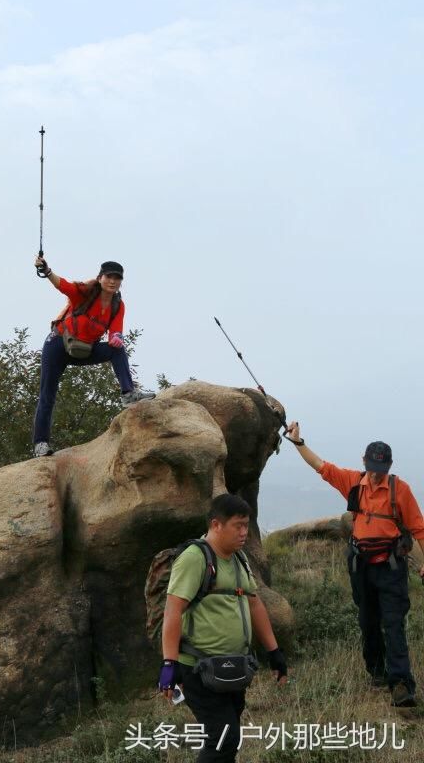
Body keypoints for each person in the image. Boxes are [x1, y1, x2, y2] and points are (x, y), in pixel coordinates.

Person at [287, 420, 424, 707]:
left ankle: (401, 684)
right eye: (372, 468)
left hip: (391, 567)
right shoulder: (353, 482)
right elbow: (320, 466)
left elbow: (419, 528)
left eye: (381, 470)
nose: (376, 476)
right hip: (360, 566)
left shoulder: (401, 490)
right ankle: (376, 673)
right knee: (368, 621)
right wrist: (299, 442)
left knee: (394, 623)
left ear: (388, 465)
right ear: (365, 461)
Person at [158, 493, 287, 763]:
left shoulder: (239, 559)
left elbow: (255, 605)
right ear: (216, 525)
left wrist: (274, 652)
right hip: (198, 667)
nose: (244, 532)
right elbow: (172, 611)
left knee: (228, 738)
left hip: (233, 667)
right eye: (237, 526)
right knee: (224, 737)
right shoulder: (195, 558)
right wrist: (169, 664)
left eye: (246, 525)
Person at [32, 256, 155, 457]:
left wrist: (116, 338)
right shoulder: (85, 293)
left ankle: (128, 393)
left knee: (118, 349)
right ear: (100, 278)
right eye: (109, 277)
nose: (112, 281)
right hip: (58, 345)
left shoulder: (118, 305)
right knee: (47, 395)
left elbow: (116, 330)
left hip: (83, 350)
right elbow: (63, 286)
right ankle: (40, 445)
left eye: (117, 278)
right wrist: (46, 271)